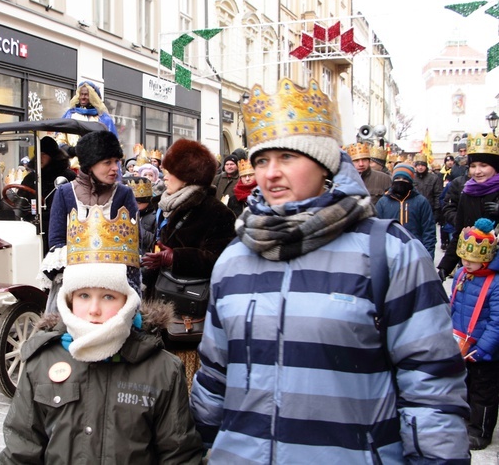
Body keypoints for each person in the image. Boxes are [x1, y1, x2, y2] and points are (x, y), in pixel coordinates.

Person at [191, 79, 469, 462]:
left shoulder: (387, 252)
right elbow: (215, 375)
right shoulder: (235, 258)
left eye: (287, 157)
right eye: (260, 160)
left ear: (324, 163)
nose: (269, 174)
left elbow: (430, 383)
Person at [0, 205, 203, 464]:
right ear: (69, 299)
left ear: (128, 300)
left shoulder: (162, 370)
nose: (94, 310)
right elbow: (21, 450)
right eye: (84, 295)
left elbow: (179, 455)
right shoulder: (41, 363)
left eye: (108, 296)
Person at [141, 139, 236, 386]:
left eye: (170, 171)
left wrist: (175, 258)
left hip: (188, 317)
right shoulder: (165, 205)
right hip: (158, 305)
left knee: (182, 386)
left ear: (188, 176)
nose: (165, 176)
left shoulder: (217, 212)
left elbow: (221, 260)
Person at [43, 131, 138, 311]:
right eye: (107, 162)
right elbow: (56, 241)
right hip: (74, 286)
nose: (115, 168)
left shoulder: (124, 194)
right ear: (90, 165)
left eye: (117, 161)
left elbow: (134, 242)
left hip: (113, 288)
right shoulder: (65, 193)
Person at [450, 218, 499, 450]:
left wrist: (485, 348)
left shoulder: (496, 284)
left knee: (484, 392)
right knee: (465, 387)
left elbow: (497, 321)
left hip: (484, 350)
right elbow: (455, 308)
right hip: (463, 346)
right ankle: (465, 423)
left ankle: (480, 430)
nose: (467, 263)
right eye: (464, 258)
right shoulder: (461, 276)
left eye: (473, 260)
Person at [438, 133, 499, 281]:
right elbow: (460, 233)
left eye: (483, 166)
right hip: (473, 270)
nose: (477, 171)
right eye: (473, 166)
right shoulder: (467, 193)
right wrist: (444, 267)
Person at [20, 136, 76, 254]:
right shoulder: (30, 178)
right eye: (38, 153)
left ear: (53, 156)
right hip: (31, 227)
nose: (40, 157)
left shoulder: (67, 176)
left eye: (44, 154)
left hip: (57, 226)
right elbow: (20, 201)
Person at [375, 163, 437, 258]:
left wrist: (428, 257)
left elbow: (429, 231)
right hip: (390, 254)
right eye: (397, 179)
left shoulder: (421, 202)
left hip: (416, 253)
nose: (401, 181)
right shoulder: (383, 202)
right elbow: (377, 230)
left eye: (405, 179)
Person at [124, 176, 157, 257]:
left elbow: (155, 242)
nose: (134, 206)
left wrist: (137, 228)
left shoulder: (156, 215)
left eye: (138, 203)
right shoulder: (126, 212)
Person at [412, 153, 442, 221]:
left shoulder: (433, 178)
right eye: (418, 165)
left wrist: (437, 211)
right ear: (415, 167)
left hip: (430, 210)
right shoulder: (412, 178)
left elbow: (438, 195)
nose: (420, 167)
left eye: (422, 165)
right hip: (414, 210)